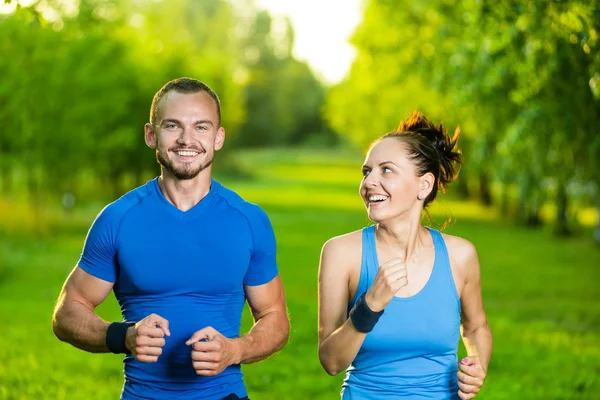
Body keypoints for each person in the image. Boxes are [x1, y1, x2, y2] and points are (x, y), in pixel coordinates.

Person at [52, 77, 290, 400]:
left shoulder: (249, 220)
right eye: (173, 126)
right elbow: (67, 312)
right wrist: (124, 335)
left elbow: (275, 319)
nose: (186, 139)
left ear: (219, 138)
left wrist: (235, 349)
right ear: (152, 135)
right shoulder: (118, 218)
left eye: (201, 127)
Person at [318, 111, 492, 400]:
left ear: (424, 185)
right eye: (366, 171)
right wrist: (370, 306)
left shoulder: (460, 255)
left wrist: (478, 364)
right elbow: (331, 361)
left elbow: (475, 326)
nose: (368, 182)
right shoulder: (341, 253)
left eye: (386, 170)